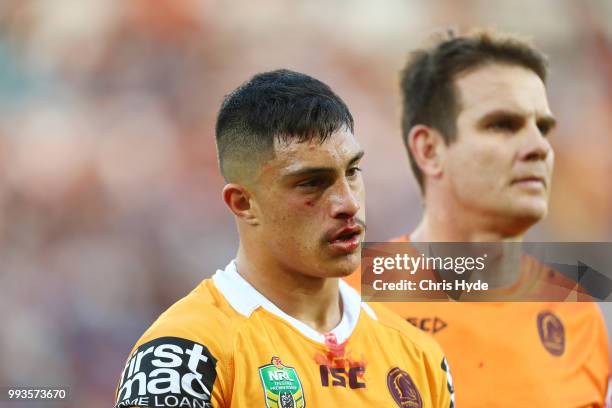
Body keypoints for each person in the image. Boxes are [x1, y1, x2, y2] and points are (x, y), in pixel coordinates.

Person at [114, 69, 455, 408]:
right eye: (311, 183)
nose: (348, 203)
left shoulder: (417, 355)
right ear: (244, 203)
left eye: (351, 172)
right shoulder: (183, 357)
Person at [349, 30, 610, 406]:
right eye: (502, 124)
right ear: (430, 149)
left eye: (544, 128)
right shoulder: (345, 299)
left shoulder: (576, 311)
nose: (539, 147)